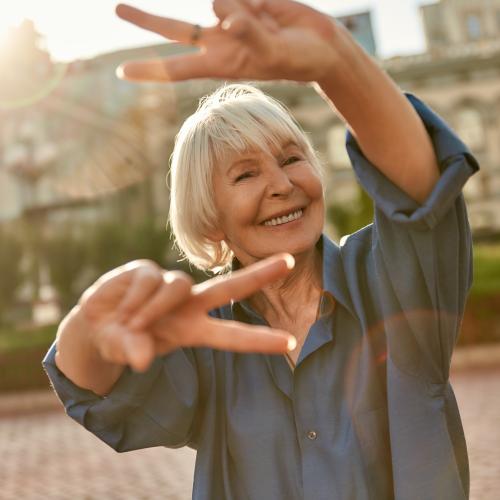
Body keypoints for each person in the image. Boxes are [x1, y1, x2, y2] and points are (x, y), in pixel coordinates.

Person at [43, 1, 479, 498]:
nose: (281, 184)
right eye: (246, 174)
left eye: (292, 158)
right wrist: (90, 331)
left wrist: (335, 63)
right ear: (210, 217)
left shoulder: (387, 282)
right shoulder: (204, 335)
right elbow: (97, 390)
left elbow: (419, 190)